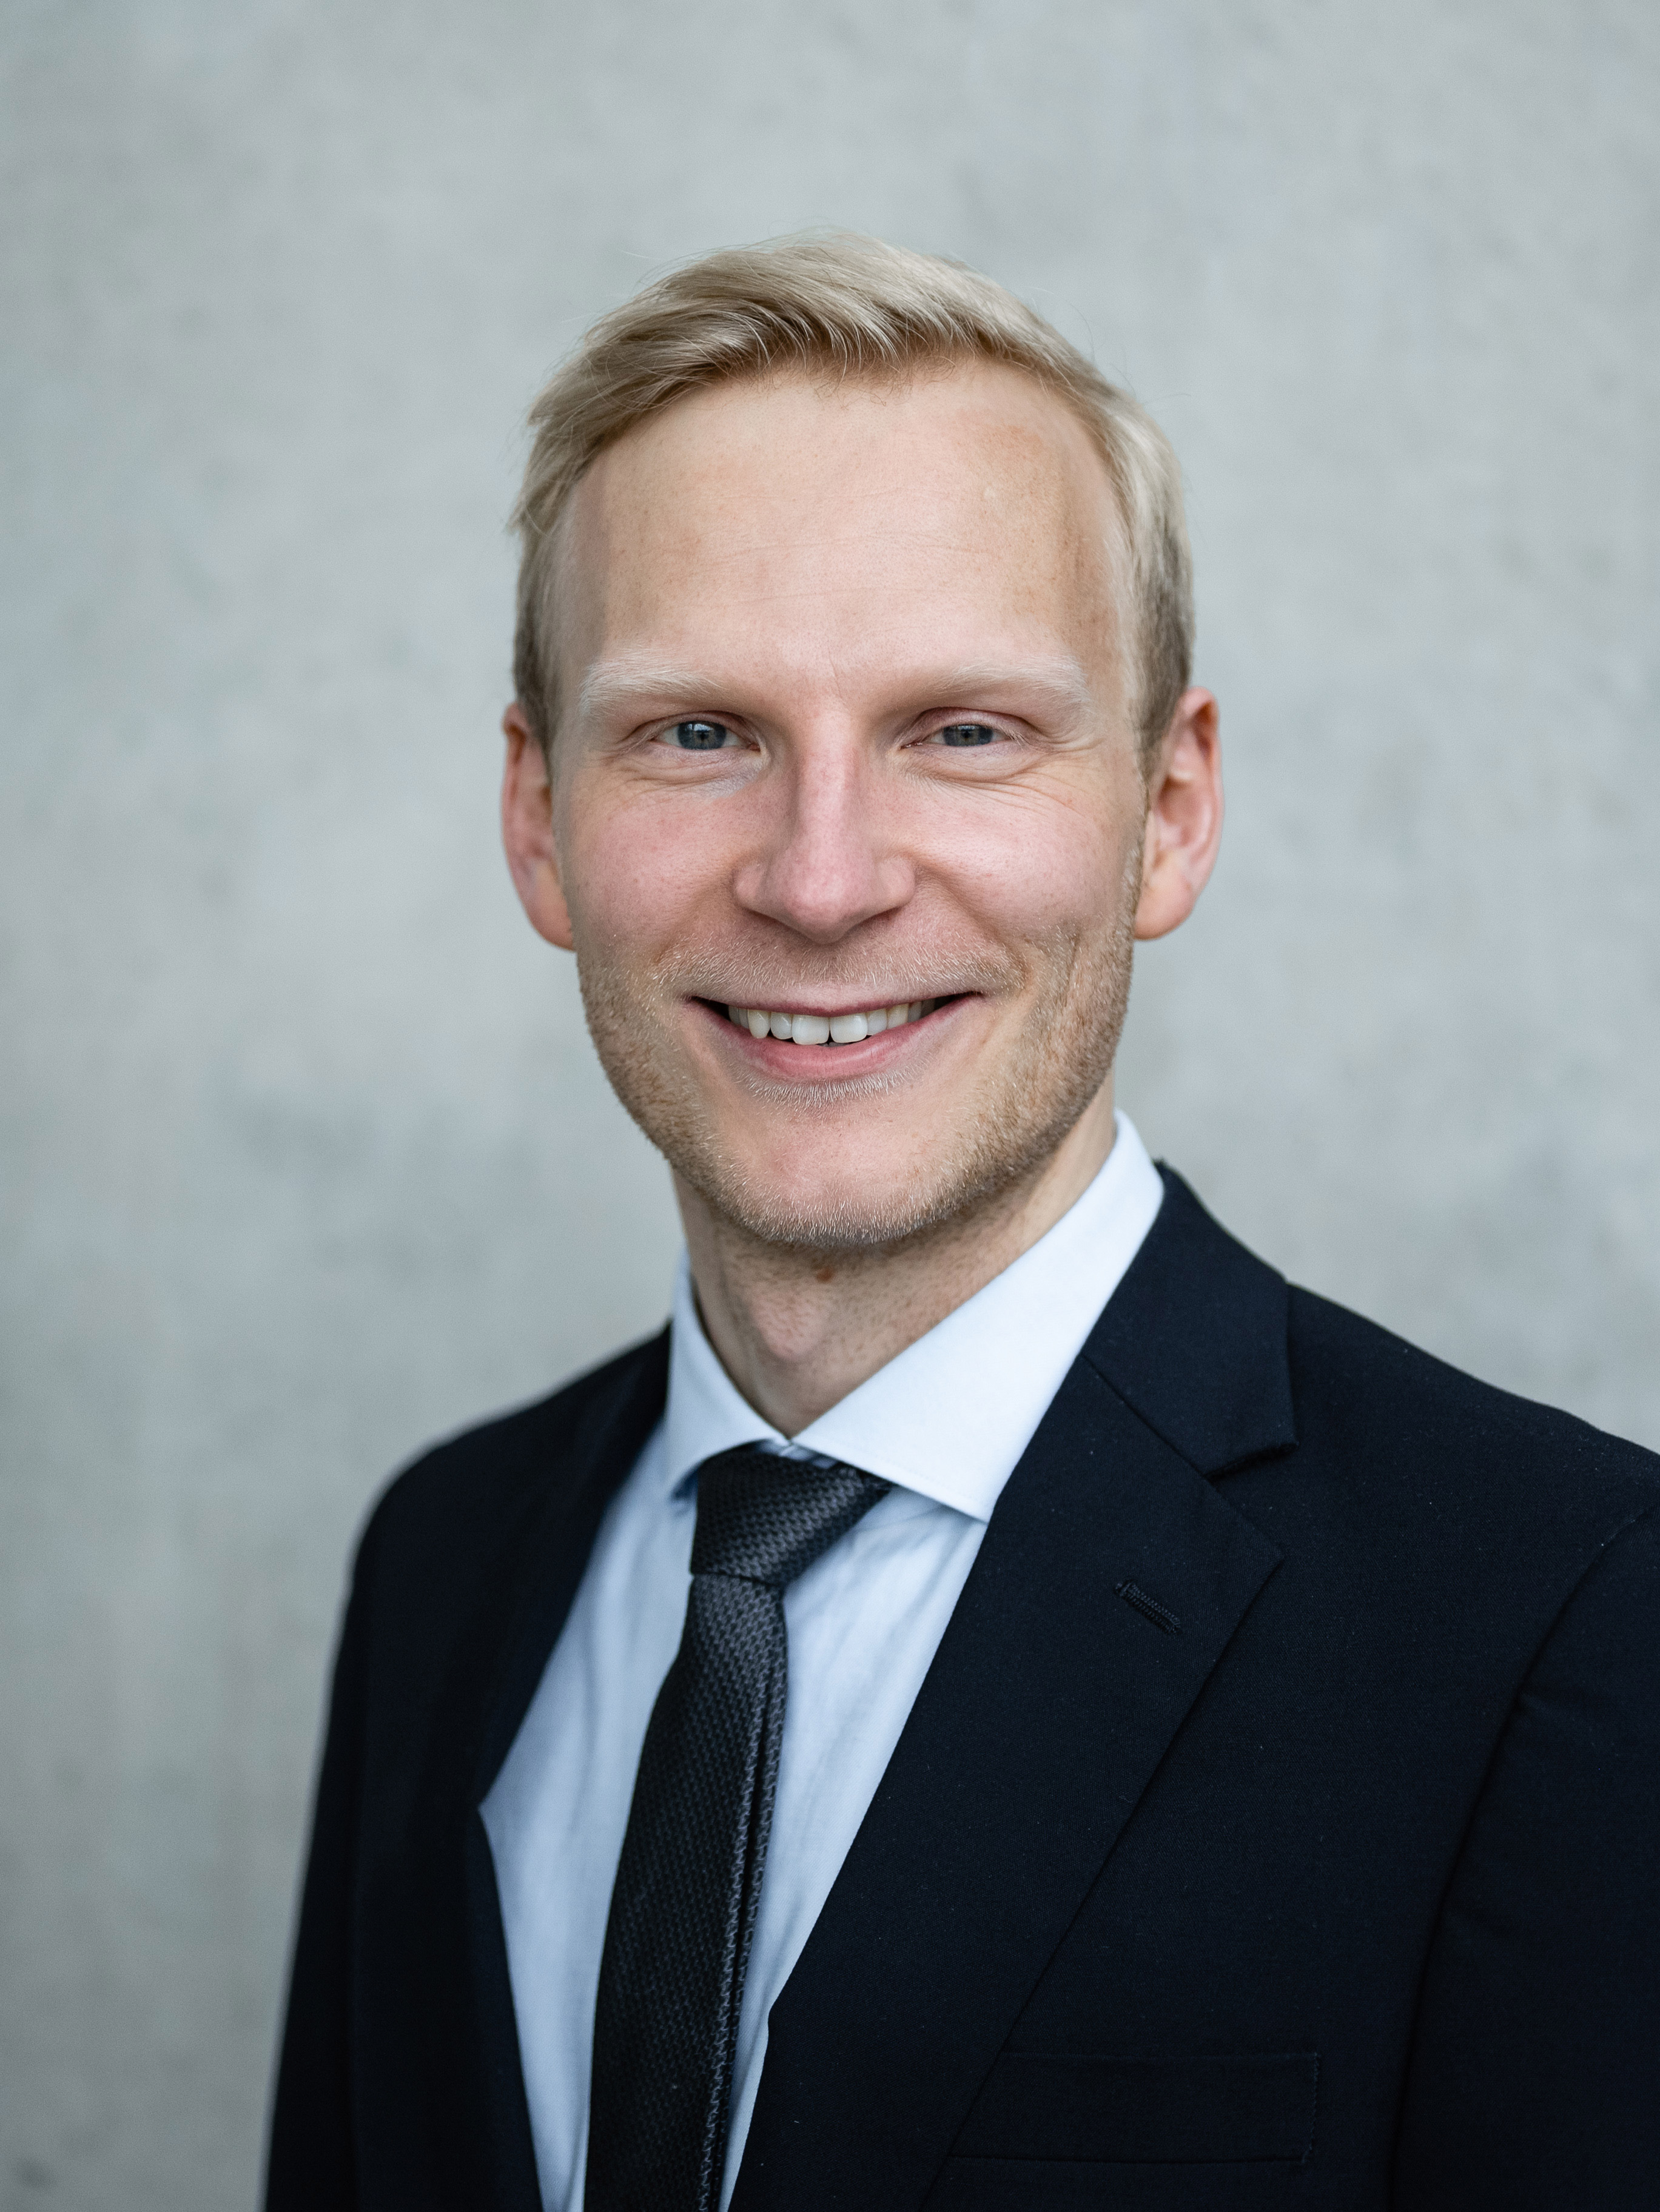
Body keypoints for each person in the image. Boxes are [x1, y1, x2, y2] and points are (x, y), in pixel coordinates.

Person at [264, 235, 1659, 2212]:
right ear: (535, 816)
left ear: (1167, 809)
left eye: (965, 731)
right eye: (697, 733)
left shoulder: (1567, 1614)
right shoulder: (444, 1558)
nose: (821, 881)